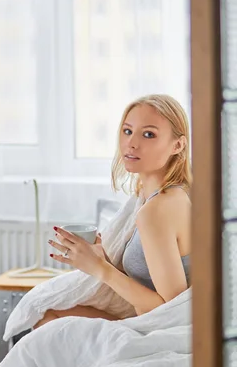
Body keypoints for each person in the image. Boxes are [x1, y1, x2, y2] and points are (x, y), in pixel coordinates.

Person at [35, 94, 192, 329]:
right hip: (148, 321)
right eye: (128, 131)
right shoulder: (158, 196)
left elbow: (172, 313)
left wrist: (101, 269)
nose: (132, 143)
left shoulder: (158, 209)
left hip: (162, 331)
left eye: (148, 134)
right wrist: (101, 260)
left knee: (46, 322)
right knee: (47, 312)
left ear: (177, 145)